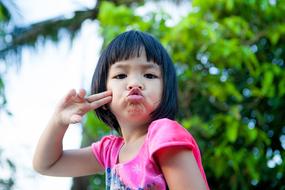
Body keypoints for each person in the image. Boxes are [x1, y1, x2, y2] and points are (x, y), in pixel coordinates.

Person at [33, 30, 209, 190]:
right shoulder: (109, 152)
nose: (134, 83)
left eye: (149, 75)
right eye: (121, 75)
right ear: (103, 89)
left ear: (166, 89)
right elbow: (47, 164)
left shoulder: (163, 134)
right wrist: (58, 121)